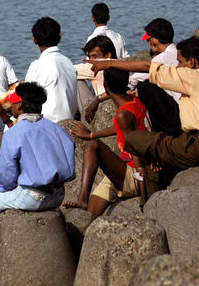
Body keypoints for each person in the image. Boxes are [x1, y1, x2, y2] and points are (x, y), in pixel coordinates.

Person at [87, 36, 199, 195]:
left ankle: (146, 202)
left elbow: (148, 66)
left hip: (198, 148)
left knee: (133, 139)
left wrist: (109, 63)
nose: (177, 66)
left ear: (192, 62)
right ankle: (154, 194)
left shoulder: (193, 76)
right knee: (157, 166)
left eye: (179, 62)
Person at [0, 82, 75, 286]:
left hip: (31, 197)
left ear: (20, 106)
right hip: (57, 194)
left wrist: (3, 192)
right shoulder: (55, 128)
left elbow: (6, 177)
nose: (11, 107)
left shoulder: (14, 133)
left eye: (13, 104)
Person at [62, 68, 150, 217]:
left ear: (105, 84)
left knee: (93, 146)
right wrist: (97, 101)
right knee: (89, 217)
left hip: (133, 172)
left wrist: (144, 191)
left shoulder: (123, 114)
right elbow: (123, 128)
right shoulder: (135, 101)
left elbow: (134, 147)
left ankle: (82, 198)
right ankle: (85, 209)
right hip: (122, 170)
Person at [24, 17, 78, 122]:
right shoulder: (68, 63)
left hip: (48, 123)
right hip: (69, 121)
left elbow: (27, 97)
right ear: (59, 37)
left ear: (34, 40)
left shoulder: (38, 65)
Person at [74, 35, 117, 109]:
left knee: (75, 79)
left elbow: (66, 70)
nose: (91, 60)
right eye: (89, 57)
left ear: (107, 55)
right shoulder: (119, 64)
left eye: (94, 56)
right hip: (113, 103)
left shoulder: (97, 66)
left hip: (101, 106)